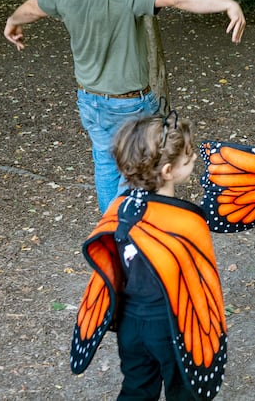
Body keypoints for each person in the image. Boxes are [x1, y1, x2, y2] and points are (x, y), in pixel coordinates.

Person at [3, 0, 246, 214]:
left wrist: (13, 22)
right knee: (140, 173)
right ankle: (132, 235)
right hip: (129, 106)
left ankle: (114, 235)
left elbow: (31, 8)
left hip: (89, 101)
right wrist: (227, 4)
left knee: (106, 165)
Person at [70, 114, 229, 400]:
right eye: (189, 159)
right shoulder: (187, 221)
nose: (194, 162)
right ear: (168, 170)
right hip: (173, 327)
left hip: (131, 325)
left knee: (137, 389)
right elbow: (201, 288)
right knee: (184, 391)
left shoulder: (119, 208)